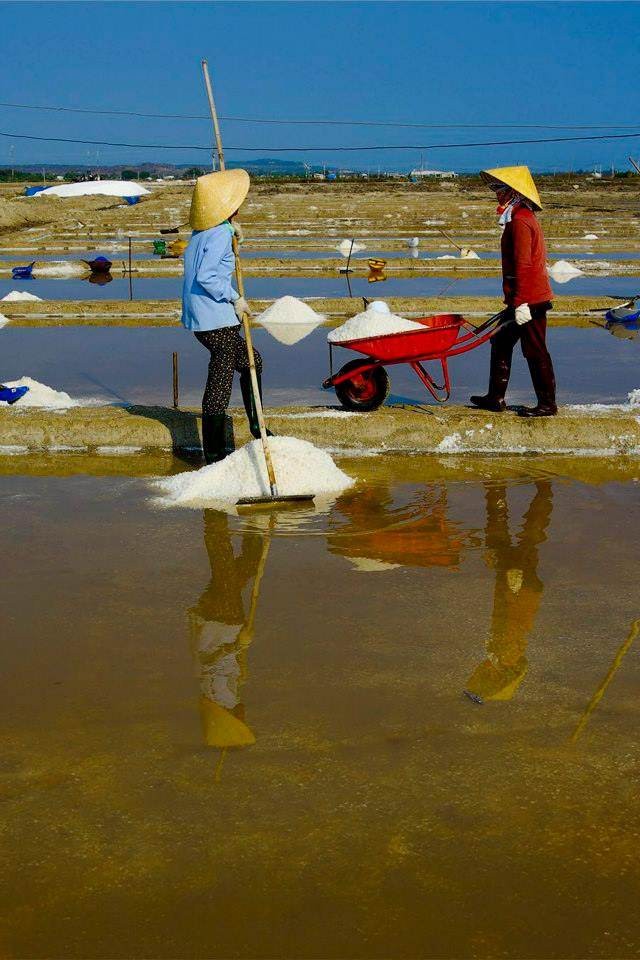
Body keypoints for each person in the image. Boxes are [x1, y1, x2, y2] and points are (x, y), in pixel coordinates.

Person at [181, 169, 267, 464]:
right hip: (215, 319)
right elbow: (207, 276)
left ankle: (258, 428)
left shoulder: (202, 233)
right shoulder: (217, 233)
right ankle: (215, 454)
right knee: (220, 382)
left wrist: (233, 234)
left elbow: (211, 264)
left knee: (253, 362)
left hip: (205, 319)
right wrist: (235, 297)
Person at [470, 166, 557, 417]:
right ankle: (495, 397)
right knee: (500, 340)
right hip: (523, 297)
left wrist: (521, 304)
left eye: (500, 189)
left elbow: (524, 265)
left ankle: (548, 404)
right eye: (495, 188)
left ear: (513, 192)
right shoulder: (518, 217)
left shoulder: (520, 221)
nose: (496, 193)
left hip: (530, 299)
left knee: (535, 349)